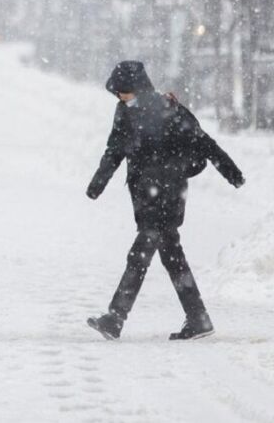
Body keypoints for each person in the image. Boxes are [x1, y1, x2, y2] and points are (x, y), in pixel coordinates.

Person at [85, 61, 244, 341]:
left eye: (124, 91)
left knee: (139, 256)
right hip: (152, 194)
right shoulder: (130, 111)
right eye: (118, 91)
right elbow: (114, 150)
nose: (120, 96)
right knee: (173, 258)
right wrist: (97, 183)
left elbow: (204, 143)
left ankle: (115, 318)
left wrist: (232, 173)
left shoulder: (165, 108)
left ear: (135, 88)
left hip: (165, 195)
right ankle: (198, 319)